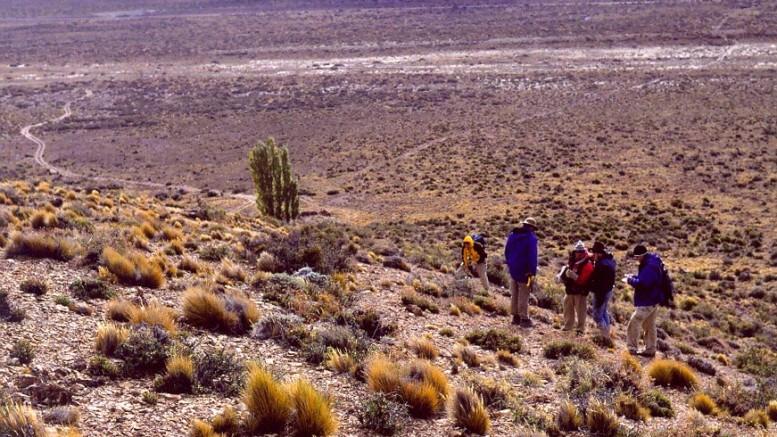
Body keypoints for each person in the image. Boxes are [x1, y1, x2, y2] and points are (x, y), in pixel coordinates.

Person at [624, 244, 664, 357]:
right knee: (649, 324)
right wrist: (634, 278)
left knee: (634, 321)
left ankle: (632, 348)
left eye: (637, 257)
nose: (636, 259)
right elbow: (644, 280)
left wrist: (630, 280)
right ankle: (650, 349)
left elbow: (643, 284)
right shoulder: (652, 263)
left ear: (641, 255)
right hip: (654, 299)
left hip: (648, 300)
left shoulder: (649, 266)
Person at [505, 217, 538, 327]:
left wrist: (510, 264)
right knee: (524, 293)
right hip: (525, 270)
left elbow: (507, 251)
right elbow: (532, 257)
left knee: (514, 293)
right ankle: (524, 318)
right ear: (532, 227)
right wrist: (532, 271)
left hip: (513, 268)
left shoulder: (512, 235)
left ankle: (515, 317)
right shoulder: (531, 238)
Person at [560, 241, 594, 333]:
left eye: (580, 252)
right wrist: (564, 276)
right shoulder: (573, 261)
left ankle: (580, 329)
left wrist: (574, 276)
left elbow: (583, 280)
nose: (578, 254)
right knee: (567, 307)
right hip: (570, 289)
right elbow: (567, 268)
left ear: (583, 252)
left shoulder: (588, 264)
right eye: (577, 252)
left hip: (581, 291)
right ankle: (568, 326)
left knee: (581, 310)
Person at [588, 241, 617, 338]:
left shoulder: (601, 264)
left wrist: (590, 286)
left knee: (597, 316)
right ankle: (607, 334)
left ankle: (604, 337)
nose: (593, 255)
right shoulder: (610, 261)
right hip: (608, 290)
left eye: (594, 253)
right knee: (604, 312)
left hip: (602, 292)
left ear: (598, 253)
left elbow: (597, 281)